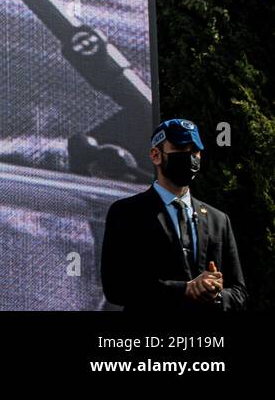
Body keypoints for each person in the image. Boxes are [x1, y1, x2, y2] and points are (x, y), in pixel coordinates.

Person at [101, 118, 247, 310]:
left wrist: (216, 293)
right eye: (180, 149)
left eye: (194, 151)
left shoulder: (218, 220)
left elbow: (239, 292)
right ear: (156, 155)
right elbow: (116, 288)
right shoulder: (127, 213)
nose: (189, 157)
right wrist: (184, 289)